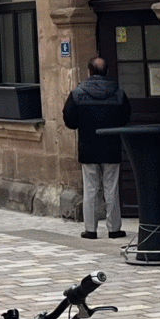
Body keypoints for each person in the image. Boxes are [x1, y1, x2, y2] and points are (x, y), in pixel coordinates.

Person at [61, 56, 132, 240]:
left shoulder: (78, 93)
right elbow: (125, 116)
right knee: (112, 188)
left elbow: (69, 119)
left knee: (90, 189)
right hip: (111, 146)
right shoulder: (118, 92)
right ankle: (114, 228)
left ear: (89, 72)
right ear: (106, 72)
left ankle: (90, 229)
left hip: (88, 146)